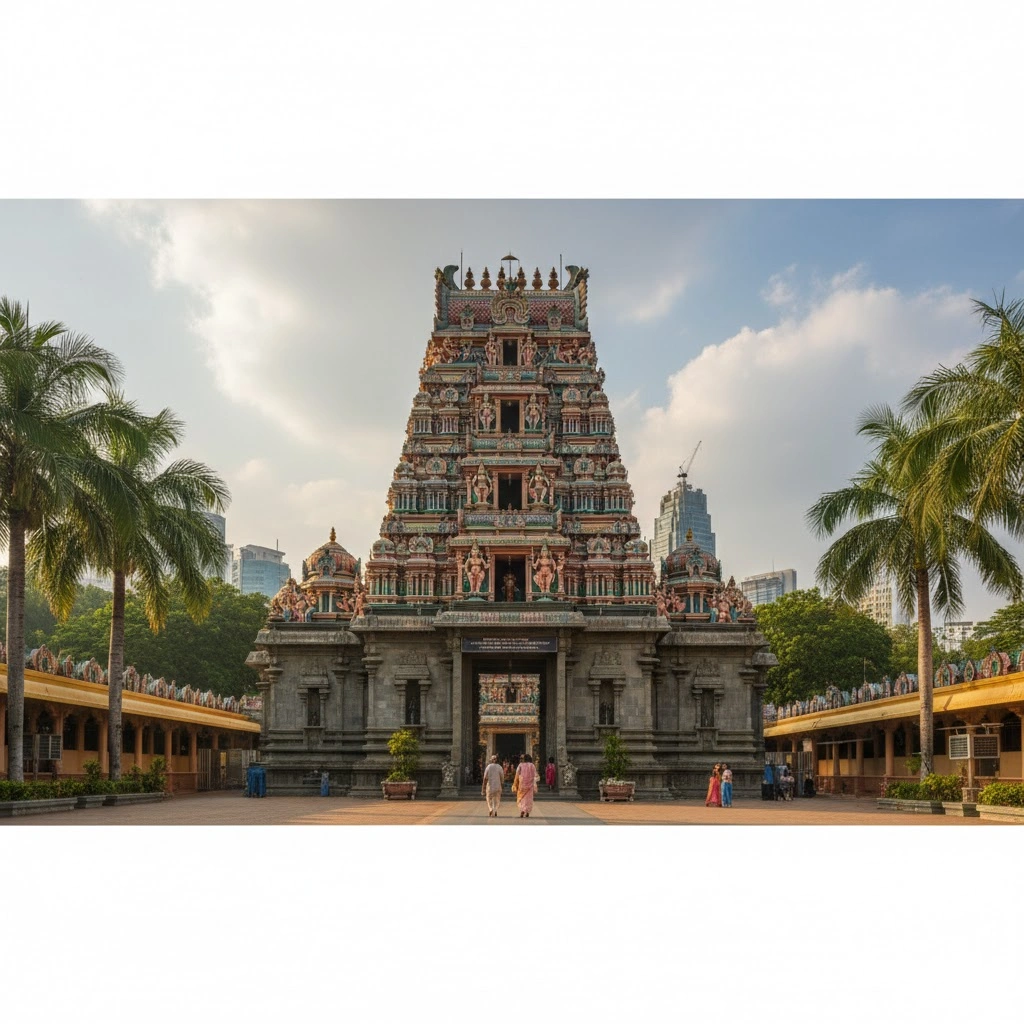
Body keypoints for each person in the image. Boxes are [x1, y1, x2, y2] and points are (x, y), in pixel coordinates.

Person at [514, 753, 538, 818]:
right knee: (528, 799)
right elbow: (535, 775)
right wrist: (534, 782)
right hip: (530, 785)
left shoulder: (520, 765)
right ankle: (527, 811)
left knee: (521, 798)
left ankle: (522, 810)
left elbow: (517, 774)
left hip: (522, 785)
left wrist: (515, 783)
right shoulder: (532, 765)